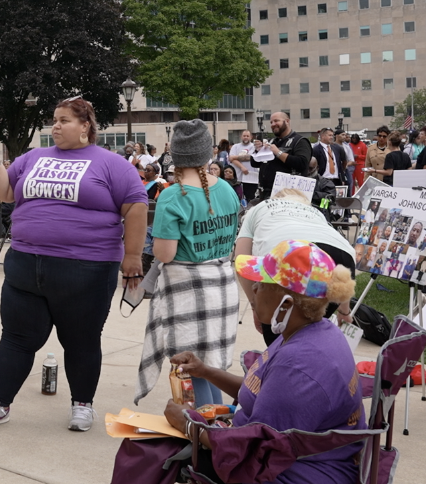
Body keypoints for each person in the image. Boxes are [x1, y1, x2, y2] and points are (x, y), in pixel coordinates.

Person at [0, 96, 146, 431]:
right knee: (16, 338)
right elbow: (5, 192)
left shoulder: (111, 164)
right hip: (25, 265)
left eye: (64, 120)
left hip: (87, 270)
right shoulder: (33, 157)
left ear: (85, 126)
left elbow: (136, 205)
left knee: (82, 340)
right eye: (54, 120)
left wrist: (133, 257)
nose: (56, 126)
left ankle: (82, 404)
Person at [163, 241, 363, 484]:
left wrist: (187, 425)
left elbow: (255, 450)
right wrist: (205, 371)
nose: (254, 288)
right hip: (287, 457)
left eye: (263, 283)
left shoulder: (298, 365)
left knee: (154, 455)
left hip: (291, 473)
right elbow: (261, 393)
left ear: (286, 304)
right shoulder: (312, 332)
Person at [135, 119, 240, 409]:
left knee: (192, 367)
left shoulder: (173, 195)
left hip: (188, 291)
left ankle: (206, 429)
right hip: (222, 286)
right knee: (211, 367)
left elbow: (165, 254)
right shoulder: (227, 189)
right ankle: (219, 422)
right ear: (206, 153)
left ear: (176, 156)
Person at [234, 188, 356, 345]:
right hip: (340, 255)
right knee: (312, 326)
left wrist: (256, 305)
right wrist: (344, 311)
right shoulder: (315, 212)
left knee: (278, 333)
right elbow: (342, 276)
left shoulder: (259, 208)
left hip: (286, 252)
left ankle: (285, 356)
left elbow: (242, 259)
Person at [258, 112, 311, 199]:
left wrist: (278, 153)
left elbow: (302, 163)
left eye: (276, 121)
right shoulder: (271, 141)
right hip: (267, 193)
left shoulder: (300, 141)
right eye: (271, 122)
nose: (273, 124)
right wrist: (258, 151)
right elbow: (255, 163)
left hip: (289, 194)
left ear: (287, 121)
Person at [228, 130, 259, 201]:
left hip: (250, 178)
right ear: (241, 137)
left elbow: (249, 157)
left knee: (250, 199)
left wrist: (234, 157)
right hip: (237, 178)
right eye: (244, 136)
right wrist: (242, 167)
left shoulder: (254, 147)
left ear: (251, 137)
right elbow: (231, 159)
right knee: (236, 198)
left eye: (247, 136)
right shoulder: (235, 146)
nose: (246, 137)